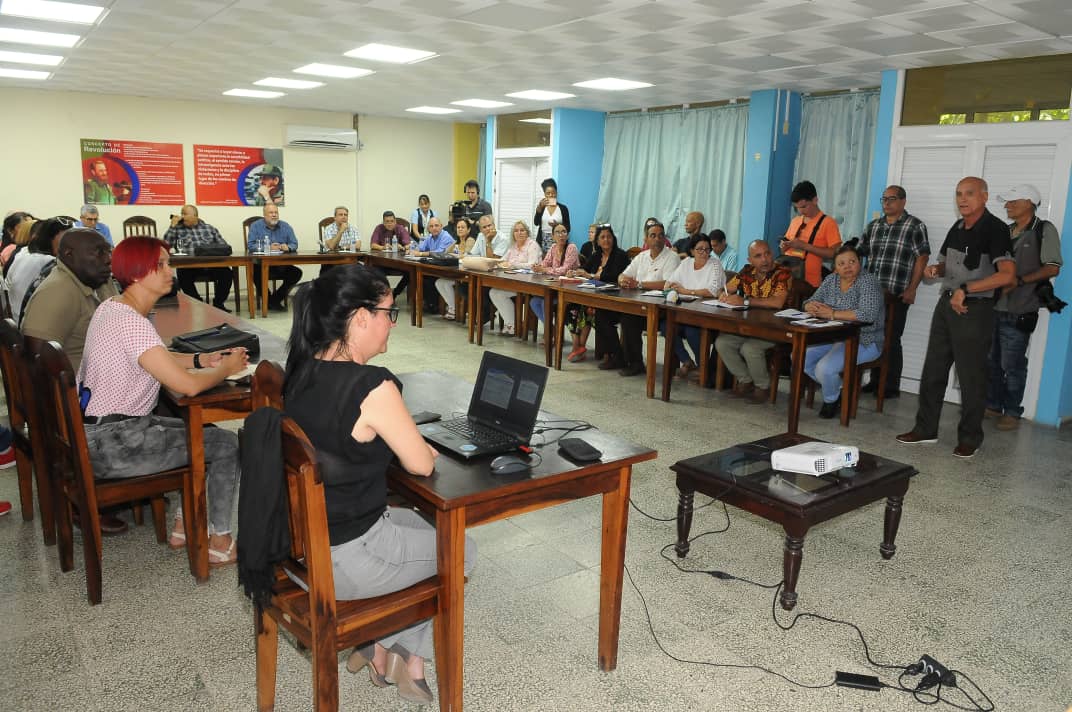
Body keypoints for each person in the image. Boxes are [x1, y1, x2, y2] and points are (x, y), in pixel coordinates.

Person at [283, 265, 476, 705]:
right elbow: (420, 464)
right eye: (390, 312)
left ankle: (384, 649)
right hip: (351, 559)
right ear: (360, 318)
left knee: (427, 533)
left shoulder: (300, 371)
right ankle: (403, 654)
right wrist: (425, 451)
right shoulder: (372, 385)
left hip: (305, 554)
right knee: (462, 549)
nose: (393, 321)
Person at [80, 236, 248, 565]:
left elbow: (156, 358)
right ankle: (220, 540)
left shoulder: (112, 309)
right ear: (139, 272)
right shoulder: (133, 323)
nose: (170, 271)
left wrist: (203, 360)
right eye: (161, 265)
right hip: (117, 444)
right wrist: (226, 368)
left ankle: (185, 525)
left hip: (100, 435)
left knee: (204, 430)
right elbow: (188, 388)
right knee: (225, 444)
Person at [897, 177, 1015, 459]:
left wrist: (966, 289)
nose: (963, 199)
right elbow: (947, 264)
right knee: (933, 370)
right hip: (947, 306)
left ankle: (970, 438)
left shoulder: (995, 228)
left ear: (984, 197)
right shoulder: (958, 226)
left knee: (971, 377)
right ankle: (925, 429)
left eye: (970, 194)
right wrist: (935, 271)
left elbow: (1007, 275)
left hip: (975, 310)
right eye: (959, 194)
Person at [987, 184, 1062, 431]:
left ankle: (1012, 412)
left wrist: (1019, 280)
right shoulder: (1006, 231)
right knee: (992, 361)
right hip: (996, 306)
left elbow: (1052, 267)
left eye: (1012, 201)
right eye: (1007, 202)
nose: (1007, 205)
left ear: (1029, 202)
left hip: (1021, 308)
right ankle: (993, 404)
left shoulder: (1043, 230)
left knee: (1013, 364)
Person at [857, 185, 930, 399]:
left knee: (891, 338)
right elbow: (860, 253)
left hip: (897, 294)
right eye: (884, 199)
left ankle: (890, 385)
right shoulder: (874, 226)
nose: (887, 203)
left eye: (892, 199)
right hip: (871, 294)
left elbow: (922, 258)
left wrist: (912, 288)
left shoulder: (915, 226)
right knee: (871, 336)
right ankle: (874, 381)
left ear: (903, 201)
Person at [802, 241, 885, 418]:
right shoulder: (831, 280)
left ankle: (831, 400)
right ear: (835, 268)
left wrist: (832, 313)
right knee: (799, 357)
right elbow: (811, 300)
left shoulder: (868, 281)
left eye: (852, 262)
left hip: (864, 340)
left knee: (824, 368)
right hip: (831, 337)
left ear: (859, 262)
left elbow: (867, 314)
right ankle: (840, 389)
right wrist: (810, 306)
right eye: (841, 263)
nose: (847, 266)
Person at [22, 227, 117, 373]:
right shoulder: (57, 292)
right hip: (80, 391)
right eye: (99, 252)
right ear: (69, 254)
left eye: (108, 251)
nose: (108, 259)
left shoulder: (99, 279)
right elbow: (36, 363)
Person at [714, 240, 793, 404]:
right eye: (758, 256)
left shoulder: (782, 273)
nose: (765, 259)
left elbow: (777, 303)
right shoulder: (746, 271)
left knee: (749, 348)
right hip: (750, 326)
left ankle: (762, 387)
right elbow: (727, 288)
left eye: (767, 254)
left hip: (776, 329)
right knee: (722, 343)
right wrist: (723, 294)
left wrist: (745, 301)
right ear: (750, 260)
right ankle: (745, 380)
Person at [605, 221, 679, 376]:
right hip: (637, 304)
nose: (657, 239)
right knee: (603, 314)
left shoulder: (672, 257)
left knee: (628, 319)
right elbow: (624, 274)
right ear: (646, 239)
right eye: (653, 235)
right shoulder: (642, 256)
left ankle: (636, 363)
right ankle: (619, 357)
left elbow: (667, 283)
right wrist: (621, 280)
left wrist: (639, 284)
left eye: (660, 235)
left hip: (661, 309)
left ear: (665, 238)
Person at [664, 233, 726, 379]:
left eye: (707, 249)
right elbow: (669, 283)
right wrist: (673, 287)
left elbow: (712, 291)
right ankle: (686, 360)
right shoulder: (686, 263)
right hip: (685, 310)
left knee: (691, 330)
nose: (704, 253)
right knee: (665, 325)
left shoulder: (715, 264)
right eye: (699, 249)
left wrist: (685, 290)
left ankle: (703, 367)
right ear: (691, 251)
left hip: (707, 313)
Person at [567, 224, 630, 364]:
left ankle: (614, 354)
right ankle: (578, 346)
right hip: (595, 297)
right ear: (598, 241)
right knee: (572, 307)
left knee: (598, 314)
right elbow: (585, 269)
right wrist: (576, 272)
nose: (606, 240)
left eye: (609, 236)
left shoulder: (620, 255)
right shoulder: (597, 255)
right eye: (602, 237)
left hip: (615, 298)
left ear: (613, 238)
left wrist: (591, 276)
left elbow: (614, 276)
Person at [163, 205, 234, 311]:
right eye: (181, 213)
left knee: (227, 273)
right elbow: (165, 246)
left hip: (211, 265)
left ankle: (218, 303)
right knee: (182, 275)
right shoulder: (177, 229)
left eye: (185, 214)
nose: (182, 216)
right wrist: (172, 226)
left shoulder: (209, 228)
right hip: (189, 265)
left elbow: (223, 246)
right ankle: (198, 303)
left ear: (195, 216)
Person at [780, 180, 842, 290]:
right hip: (787, 280)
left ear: (815, 200)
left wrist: (805, 246)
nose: (800, 211)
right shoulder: (795, 221)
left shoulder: (828, 223)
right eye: (796, 208)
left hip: (809, 285)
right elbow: (784, 251)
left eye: (803, 207)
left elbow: (835, 254)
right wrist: (784, 246)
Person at [9, 216, 69, 324]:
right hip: (29, 326)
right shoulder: (51, 264)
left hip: (15, 320)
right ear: (48, 239)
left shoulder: (23, 253)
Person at [488, 220, 542, 336]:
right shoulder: (513, 246)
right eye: (516, 231)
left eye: (522, 230)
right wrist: (493, 263)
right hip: (514, 282)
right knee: (493, 292)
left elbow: (532, 265)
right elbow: (503, 260)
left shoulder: (533, 245)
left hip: (530, 284)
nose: (519, 233)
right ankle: (511, 324)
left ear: (527, 232)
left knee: (500, 294)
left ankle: (514, 325)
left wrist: (513, 264)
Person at [246, 204, 302, 311]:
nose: (274, 215)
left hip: (281, 264)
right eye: (271, 213)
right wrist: (267, 247)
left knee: (296, 273)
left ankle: (273, 300)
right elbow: (251, 245)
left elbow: (294, 244)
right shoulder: (256, 226)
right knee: (255, 272)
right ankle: (268, 299)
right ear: (264, 215)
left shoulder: (285, 226)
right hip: (261, 264)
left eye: (276, 213)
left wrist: (287, 247)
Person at [434, 217, 483, 321]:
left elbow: (465, 256)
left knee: (446, 283)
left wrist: (455, 255)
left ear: (468, 230)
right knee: (439, 282)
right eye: (458, 227)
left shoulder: (470, 240)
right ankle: (453, 307)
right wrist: (453, 251)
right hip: (456, 272)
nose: (460, 229)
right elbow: (445, 253)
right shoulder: (457, 241)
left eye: (463, 227)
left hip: (467, 275)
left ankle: (454, 309)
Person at [529, 223, 580, 323]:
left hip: (569, 289)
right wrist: (538, 266)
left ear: (567, 235)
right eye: (557, 232)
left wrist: (545, 270)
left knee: (545, 302)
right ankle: (550, 330)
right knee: (534, 301)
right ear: (552, 236)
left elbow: (564, 270)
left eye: (563, 232)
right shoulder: (553, 247)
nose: (561, 235)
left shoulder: (571, 248)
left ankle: (550, 332)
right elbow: (546, 262)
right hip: (554, 286)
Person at [409, 217, 456, 312]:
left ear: (441, 226)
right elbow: (421, 248)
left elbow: (439, 253)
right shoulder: (429, 237)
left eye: (436, 225)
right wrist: (412, 250)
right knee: (419, 277)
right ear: (428, 229)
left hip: (448, 270)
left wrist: (421, 254)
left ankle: (434, 305)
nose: (434, 228)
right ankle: (428, 304)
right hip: (435, 267)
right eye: (431, 226)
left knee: (428, 279)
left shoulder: (446, 236)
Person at [370, 211, 413, 299]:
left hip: (399, 262)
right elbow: (373, 245)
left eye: (391, 221)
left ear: (395, 221)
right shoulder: (379, 228)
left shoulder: (400, 228)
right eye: (387, 221)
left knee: (411, 272)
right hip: (383, 262)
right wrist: (383, 247)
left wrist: (402, 247)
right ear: (383, 222)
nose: (389, 224)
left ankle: (395, 294)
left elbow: (409, 244)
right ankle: (382, 296)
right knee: (375, 271)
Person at [533, 178, 570, 251]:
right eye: (548, 193)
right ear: (545, 194)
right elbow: (536, 223)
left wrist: (557, 225)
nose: (551, 195)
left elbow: (568, 227)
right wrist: (538, 210)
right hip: (543, 240)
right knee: (544, 260)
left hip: (559, 239)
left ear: (556, 193)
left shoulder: (563, 208)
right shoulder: (542, 207)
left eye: (553, 193)